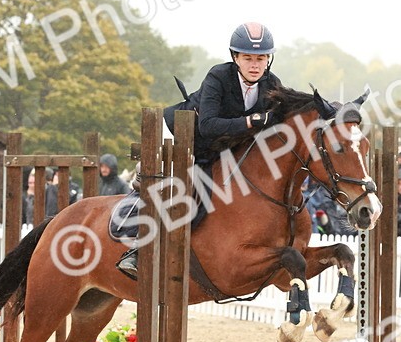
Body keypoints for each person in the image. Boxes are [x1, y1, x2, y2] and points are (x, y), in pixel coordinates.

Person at [120, 22, 282, 277]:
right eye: (248, 58)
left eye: (261, 58)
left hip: (213, 147)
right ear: (235, 58)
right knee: (176, 188)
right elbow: (208, 125)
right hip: (177, 134)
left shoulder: (271, 83)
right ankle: (136, 249)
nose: (254, 65)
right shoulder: (218, 76)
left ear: (268, 60)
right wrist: (250, 122)